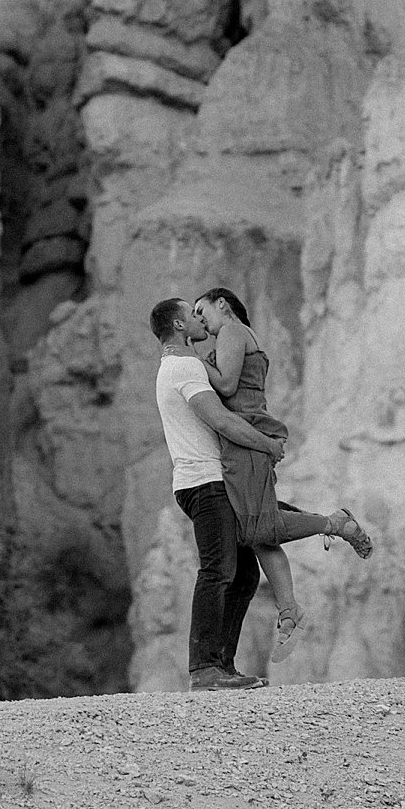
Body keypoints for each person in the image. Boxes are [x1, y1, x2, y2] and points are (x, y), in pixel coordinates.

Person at [192, 286, 372, 665]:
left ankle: (336, 524)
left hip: (248, 438)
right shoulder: (238, 336)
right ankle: (289, 611)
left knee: (259, 528)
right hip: (244, 440)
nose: (199, 319)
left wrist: (191, 359)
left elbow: (224, 384)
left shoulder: (232, 332)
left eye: (201, 309)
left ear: (221, 304)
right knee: (257, 530)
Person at [151, 296, 286, 692]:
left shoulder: (172, 368)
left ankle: (221, 666)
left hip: (204, 481)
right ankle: (205, 668)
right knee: (218, 571)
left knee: (243, 573)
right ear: (178, 326)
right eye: (191, 316)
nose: (199, 321)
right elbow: (222, 419)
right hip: (205, 482)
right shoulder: (185, 366)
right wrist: (266, 443)